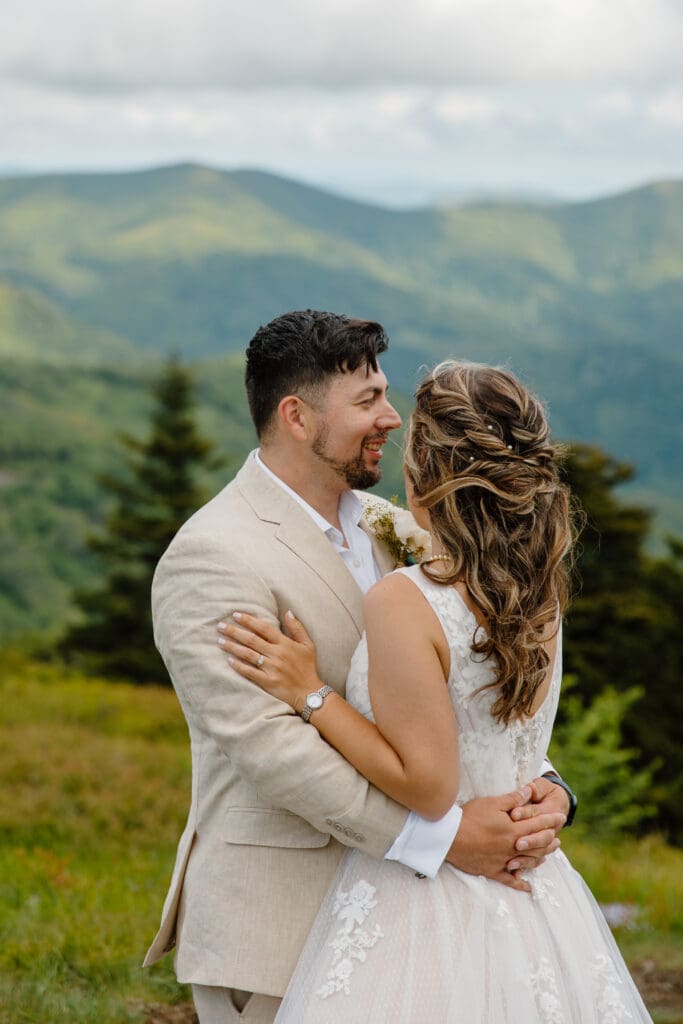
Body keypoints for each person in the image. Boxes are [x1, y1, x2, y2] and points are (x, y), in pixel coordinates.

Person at [144, 313, 571, 1024]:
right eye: (367, 399)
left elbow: (463, 688)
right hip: (282, 923)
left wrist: (547, 789)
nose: (390, 417)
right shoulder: (212, 556)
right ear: (297, 417)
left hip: (431, 926)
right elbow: (271, 752)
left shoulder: (399, 523)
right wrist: (445, 839)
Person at [220, 357, 652, 1022]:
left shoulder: (407, 600)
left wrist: (312, 694)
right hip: (535, 888)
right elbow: (503, 739)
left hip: (430, 903)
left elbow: (428, 785)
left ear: (429, 467)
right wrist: (553, 792)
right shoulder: (537, 590)